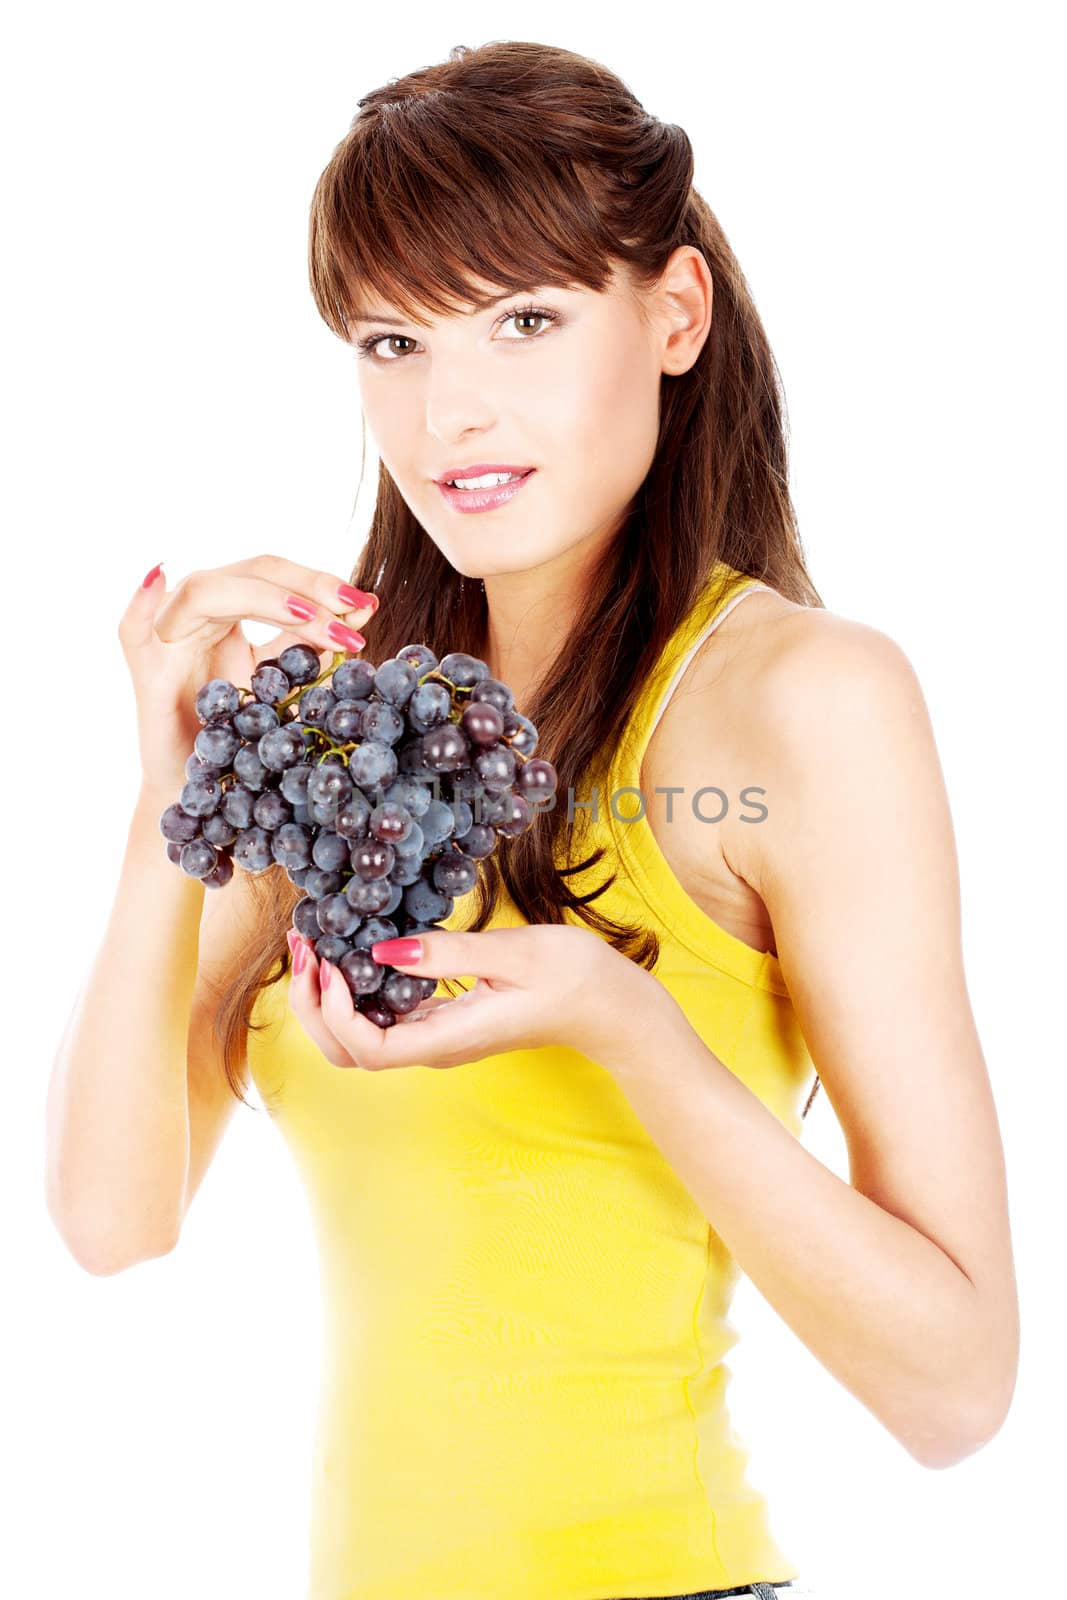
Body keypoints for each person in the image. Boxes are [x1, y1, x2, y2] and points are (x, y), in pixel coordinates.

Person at [45, 38, 1018, 1600]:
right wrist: (178, 785)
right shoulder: (347, 735)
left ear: (675, 314)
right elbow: (114, 1220)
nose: (452, 415)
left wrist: (624, 1024)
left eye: (528, 320)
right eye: (393, 341)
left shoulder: (801, 701)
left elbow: (958, 1391)